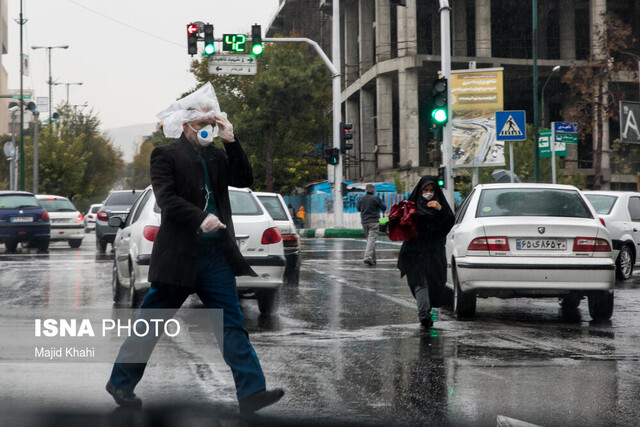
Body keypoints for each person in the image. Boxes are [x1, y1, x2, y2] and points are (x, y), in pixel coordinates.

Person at [105, 83, 284, 413]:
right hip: (179, 256)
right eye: (202, 125)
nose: (208, 130)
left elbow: (245, 179)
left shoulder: (217, 155)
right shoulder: (165, 155)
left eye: (212, 125)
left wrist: (232, 140)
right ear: (186, 125)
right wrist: (200, 218)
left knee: (231, 325)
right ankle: (120, 382)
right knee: (152, 323)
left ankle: (251, 392)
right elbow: (167, 199)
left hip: (215, 257)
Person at [397, 176, 454, 327]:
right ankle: (424, 314)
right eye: (425, 190)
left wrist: (440, 209)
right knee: (419, 283)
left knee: (435, 282)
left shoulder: (441, 207)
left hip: (434, 252)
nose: (428, 193)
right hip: (414, 250)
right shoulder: (411, 206)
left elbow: (449, 222)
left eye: (431, 190)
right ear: (420, 190)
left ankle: (426, 310)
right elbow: (400, 223)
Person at [357, 184, 386, 266]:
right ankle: (368, 258)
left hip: (364, 222)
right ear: (373, 191)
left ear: (366, 190)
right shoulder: (376, 198)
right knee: (371, 240)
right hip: (374, 221)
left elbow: (358, 209)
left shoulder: (361, 198)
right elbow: (384, 208)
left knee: (370, 240)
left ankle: (373, 259)